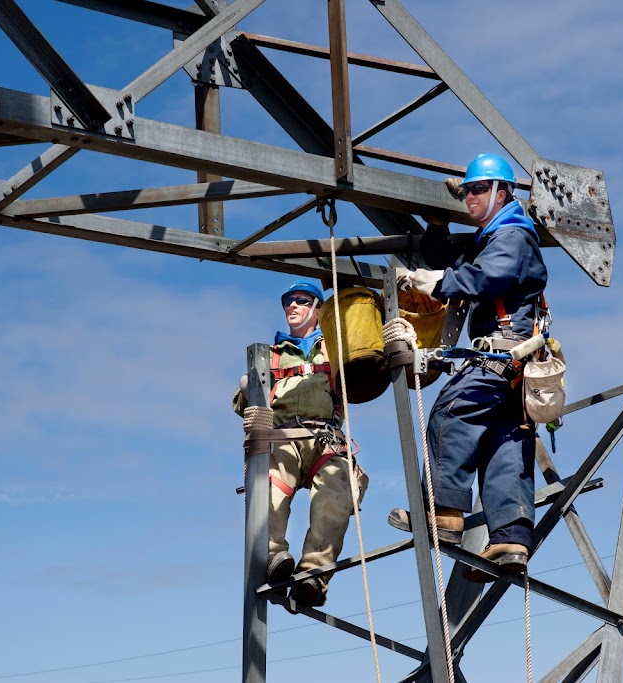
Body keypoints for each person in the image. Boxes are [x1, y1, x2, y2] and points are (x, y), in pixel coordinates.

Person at [389, 153, 547, 579]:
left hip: (499, 356)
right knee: (505, 442)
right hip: (514, 366)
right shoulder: (495, 236)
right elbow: (460, 264)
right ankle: (510, 539)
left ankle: (444, 515)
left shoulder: (513, 235)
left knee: (450, 416)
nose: (470, 198)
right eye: (466, 191)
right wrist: (438, 228)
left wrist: (433, 282)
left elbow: (484, 277)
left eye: (478, 189)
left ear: (502, 192)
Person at [234, 281, 368, 607]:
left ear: (317, 309)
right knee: (269, 487)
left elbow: (363, 374)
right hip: (283, 436)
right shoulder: (271, 357)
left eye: (301, 301)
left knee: (337, 491)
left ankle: (314, 575)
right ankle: (273, 558)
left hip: (324, 437)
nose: (293, 306)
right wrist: (249, 390)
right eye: (288, 302)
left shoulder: (334, 350)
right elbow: (242, 406)